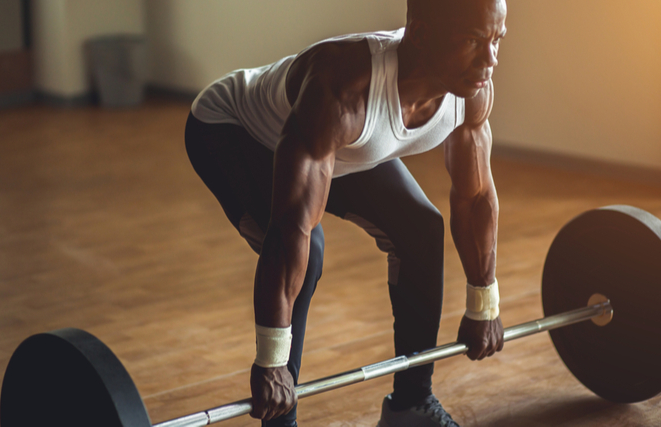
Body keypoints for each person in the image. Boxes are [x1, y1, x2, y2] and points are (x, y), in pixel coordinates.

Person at [184, 0, 507, 425]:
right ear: (423, 33)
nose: (490, 60)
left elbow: (476, 196)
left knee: (421, 229)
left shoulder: (473, 89)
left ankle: (411, 405)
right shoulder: (343, 89)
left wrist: (484, 302)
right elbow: (291, 229)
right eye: (471, 41)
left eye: (496, 39)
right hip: (234, 133)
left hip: (340, 147)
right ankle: (280, 421)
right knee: (309, 250)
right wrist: (271, 360)